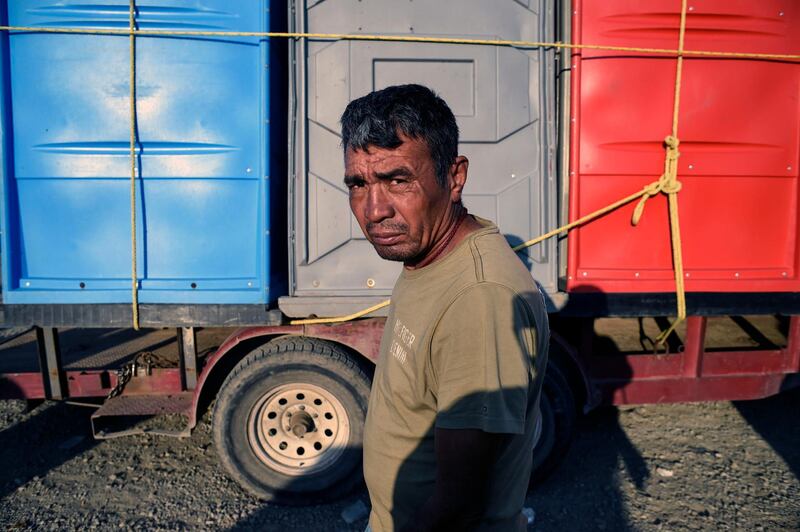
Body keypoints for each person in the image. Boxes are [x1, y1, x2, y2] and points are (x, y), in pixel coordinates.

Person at [341, 84, 549, 531]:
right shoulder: (426, 254)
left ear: (454, 178)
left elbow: (459, 506)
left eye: (398, 180)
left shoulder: (479, 297)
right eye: (359, 184)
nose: (373, 211)